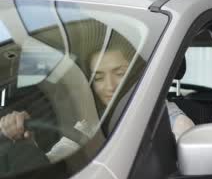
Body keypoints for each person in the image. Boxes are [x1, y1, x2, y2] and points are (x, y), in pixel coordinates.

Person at [0, 47, 194, 163]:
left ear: (137, 74)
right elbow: (55, 160)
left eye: (120, 73)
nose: (110, 86)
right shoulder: (90, 123)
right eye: (99, 77)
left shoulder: (170, 117)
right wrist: (29, 145)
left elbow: (184, 139)